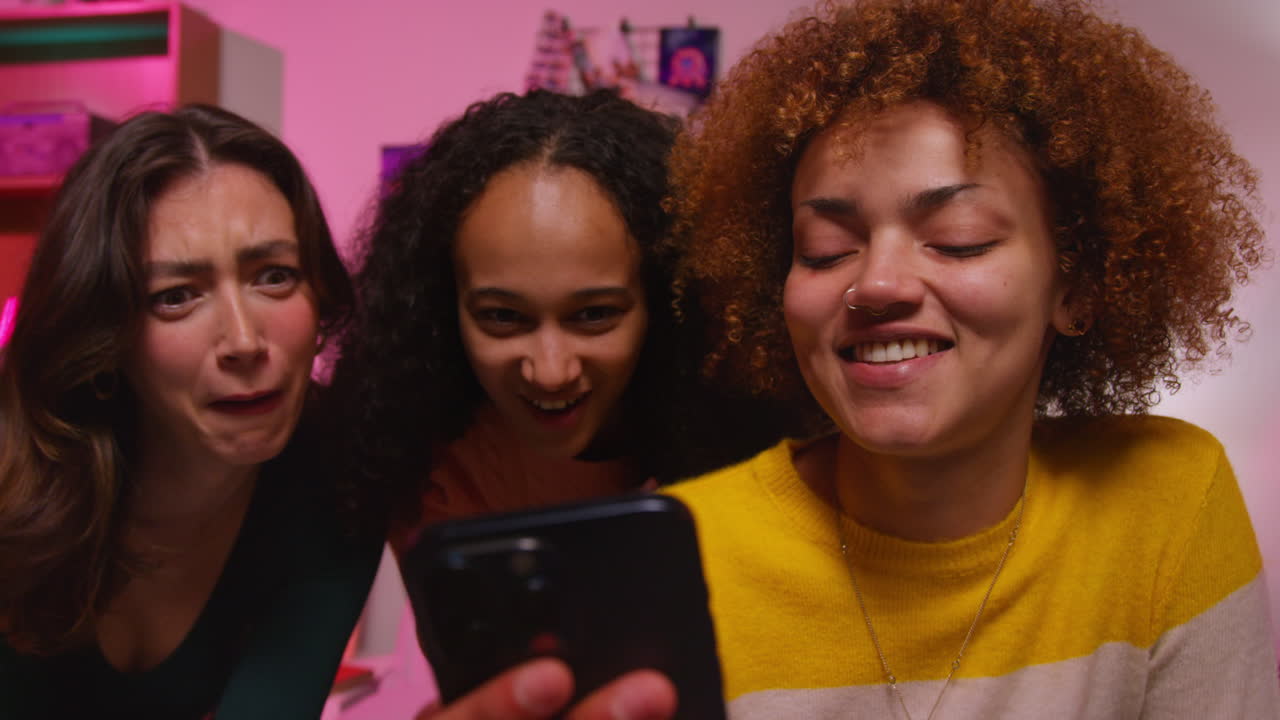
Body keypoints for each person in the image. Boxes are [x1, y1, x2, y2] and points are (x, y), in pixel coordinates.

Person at [659, 0, 1279, 717]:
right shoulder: (673, 558)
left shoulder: (1166, 502)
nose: (877, 285)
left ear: (1076, 286)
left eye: (958, 239)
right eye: (825, 249)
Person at [0, 105, 382, 718]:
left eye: (274, 276)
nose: (244, 340)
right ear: (106, 337)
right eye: (177, 297)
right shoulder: (14, 481)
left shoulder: (339, 479)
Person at [331, 88, 781, 553]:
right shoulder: (423, 461)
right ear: (444, 307)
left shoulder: (748, 439)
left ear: (664, 302)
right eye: (503, 317)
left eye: (593, 315)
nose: (550, 372)